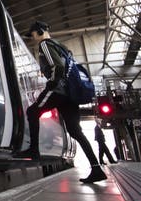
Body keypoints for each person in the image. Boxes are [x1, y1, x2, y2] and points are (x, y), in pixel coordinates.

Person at [14, 21, 106, 183]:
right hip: (70, 94)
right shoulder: (61, 46)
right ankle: (96, 168)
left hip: (59, 90)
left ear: (40, 31)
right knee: (75, 131)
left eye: (34, 34)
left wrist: (52, 82)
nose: (33, 38)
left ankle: (34, 150)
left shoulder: (45, 45)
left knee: (32, 112)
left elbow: (57, 66)